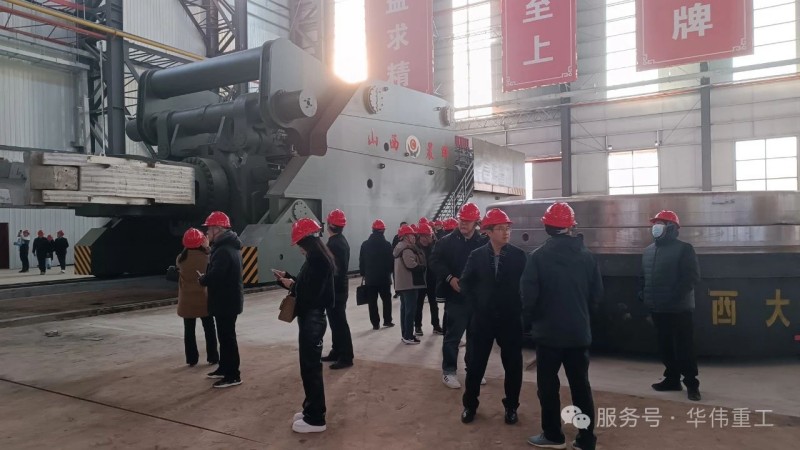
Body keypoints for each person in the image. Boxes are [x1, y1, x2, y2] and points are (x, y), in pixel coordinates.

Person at [521, 202, 602, 450]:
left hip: (548, 336)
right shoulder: (587, 257)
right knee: (581, 386)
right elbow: (597, 297)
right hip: (578, 334)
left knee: (548, 386)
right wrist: (581, 318)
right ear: (571, 226)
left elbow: (528, 298)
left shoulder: (537, 257)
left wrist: (531, 324)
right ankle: (586, 439)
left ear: (546, 226)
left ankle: (553, 435)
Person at [460, 209, 526, 426]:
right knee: (475, 365)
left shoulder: (519, 256)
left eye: (508, 228)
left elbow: (527, 286)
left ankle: (511, 406)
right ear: (488, 231)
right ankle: (470, 405)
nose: (506, 232)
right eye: (500, 228)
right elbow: (466, 284)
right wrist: (476, 307)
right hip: (483, 320)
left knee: (513, 366)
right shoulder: (477, 256)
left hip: (510, 320)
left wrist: (519, 308)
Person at [275, 218, 336, 433]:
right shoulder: (317, 258)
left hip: (312, 319)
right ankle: (310, 408)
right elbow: (308, 286)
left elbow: (310, 294)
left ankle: (316, 418)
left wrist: (293, 286)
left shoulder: (317, 261)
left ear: (306, 241)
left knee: (311, 368)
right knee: (309, 367)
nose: (299, 248)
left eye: (299, 244)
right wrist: (290, 281)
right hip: (312, 319)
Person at [642, 210, 702, 402]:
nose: (656, 227)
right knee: (665, 346)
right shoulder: (649, 251)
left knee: (684, 348)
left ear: (671, 227)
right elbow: (644, 277)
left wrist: (673, 298)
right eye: (655, 223)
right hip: (658, 308)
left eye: (660, 223)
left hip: (679, 309)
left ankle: (692, 384)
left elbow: (691, 278)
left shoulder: (684, 249)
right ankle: (672, 379)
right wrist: (644, 296)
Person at [430, 203, 487, 389]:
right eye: (462, 220)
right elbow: (435, 261)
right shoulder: (446, 242)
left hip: (476, 299)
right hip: (456, 298)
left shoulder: (483, 242)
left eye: (468, 221)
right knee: (453, 337)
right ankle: (449, 372)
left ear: (476, 222)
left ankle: (473, 370)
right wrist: (449, 278)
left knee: (474, 337)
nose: (463, 223)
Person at [198, 211, 244, 388]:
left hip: (226, 302)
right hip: (228, 300)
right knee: (225, 337)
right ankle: (224, 368)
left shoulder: (224, 250)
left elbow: (216, 275)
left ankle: (233, 375)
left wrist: (203, 279)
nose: (207, 232)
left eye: (209, 229)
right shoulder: (228, 247)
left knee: (227, 339)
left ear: (218, 229)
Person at [176, 228, 218, 366]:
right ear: (201, 241)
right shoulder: (207, 257)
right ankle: (213, 357)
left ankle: (192, 359)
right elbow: (215, 261)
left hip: (186, 301)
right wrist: (208, 247)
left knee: (189, 330)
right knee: (209, 328)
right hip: (204, 299)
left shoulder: (180, 259)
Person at [321, 209, 354, 370]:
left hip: (336, 289)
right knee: (335, 322)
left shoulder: (334, 244)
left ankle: (346, 357)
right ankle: (336, 351)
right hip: (340, 288)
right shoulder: (340, 241)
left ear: (329, 225)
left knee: (339, 323)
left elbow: (333, 270)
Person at [393, 224, 426, 344]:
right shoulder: (406, 249)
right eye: (412, 235)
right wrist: (422, 267)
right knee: (410, 311)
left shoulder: (399, 247)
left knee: (405, 309)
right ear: (406, 236)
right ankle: (408, 336)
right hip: (410, 283)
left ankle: (405, 334)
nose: (414, 237)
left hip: (402, 284)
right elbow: (411, 265)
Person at [359, 219, 394, 329]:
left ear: (372, 230)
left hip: (370, 278)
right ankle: (387, 321)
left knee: (372, 302)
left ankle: (375, 324)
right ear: (383, 230)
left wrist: (363, 273)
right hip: (384, 278)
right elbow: (391, 261)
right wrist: (389, 272)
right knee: (386, 300)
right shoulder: (387, 245)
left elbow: (362, 261)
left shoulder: (365, 244)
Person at [414, 222, 442, 336]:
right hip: (420, 280)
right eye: (423, 236)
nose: (425, 239)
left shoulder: (435, 247)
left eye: (428, 236)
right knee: (418, 304)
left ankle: (436, 325)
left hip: (432, 280)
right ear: (419, 236)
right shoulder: (415, 248)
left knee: (434, 304)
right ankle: (417, 326)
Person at [391, 221, 408, 299]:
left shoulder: (410, 238)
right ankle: (397, 291)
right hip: (398, 260)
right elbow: (393, 249)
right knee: (396, 276)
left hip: (407, 260)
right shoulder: (396, 237)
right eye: (403, 227)